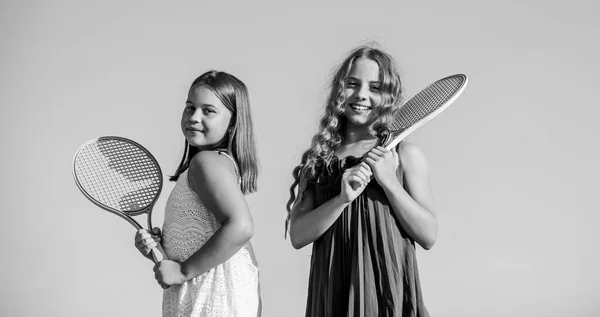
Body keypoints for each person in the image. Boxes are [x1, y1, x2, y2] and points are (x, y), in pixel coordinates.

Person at [286, 45, 437, 317]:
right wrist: (341, 199)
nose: (361, 95)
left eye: (375, 88)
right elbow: (298, 235)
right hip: (333, 294)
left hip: (388, 293)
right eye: (352, 84)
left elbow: (428, 235)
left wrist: (390, 182)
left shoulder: (404, 156)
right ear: (338, 90)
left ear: (388, 96)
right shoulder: (319, 160)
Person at [135, 70, 261, 317]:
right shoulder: (210, 163)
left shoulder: (206, 162)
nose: (194, 117)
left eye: (208, 110)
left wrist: (182, 271)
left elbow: (241, 226)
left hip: (213, 295)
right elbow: (198, 241)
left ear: (233, 122)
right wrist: (161, 250)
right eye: (190, 107)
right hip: (209, 291)